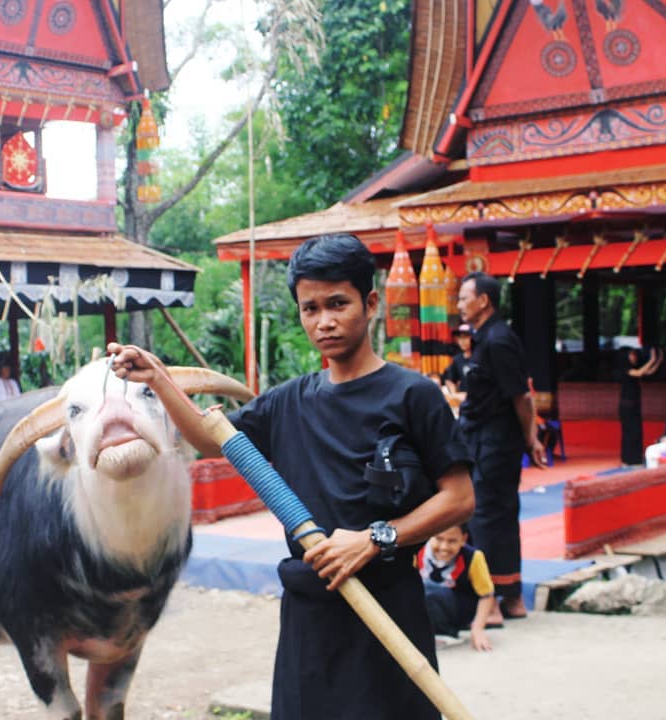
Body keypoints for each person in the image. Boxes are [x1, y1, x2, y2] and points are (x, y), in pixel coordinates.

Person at [109, 233, 474, 720]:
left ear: (370, 304)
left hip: (388, 609)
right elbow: (211, 439)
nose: (324, 321)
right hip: (312, 616)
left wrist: (373, 538)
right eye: (310, 308)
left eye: (338, 304)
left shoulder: (412, 395)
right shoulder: (288, 402)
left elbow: (459, 498)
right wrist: (157, 377)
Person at [456, 272, 547, 623]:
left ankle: (492, 600)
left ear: (484, 301)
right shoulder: (484, 339)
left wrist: (531, 437)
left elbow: (521, 396)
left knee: (488, 516)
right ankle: (512, 599)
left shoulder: (498, 340)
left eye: (465, 297)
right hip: (483, 437)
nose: (460, 304)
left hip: (495, 441)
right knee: (499, 515)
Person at [416, 524, 495, 652]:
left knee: (429, 592)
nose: (444, 547)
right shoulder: (418, 552)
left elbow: (486, 595)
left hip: (456, 608)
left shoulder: (473, 557)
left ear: (463, 539)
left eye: (452, 541)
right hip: (427, 605)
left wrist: (478, 628)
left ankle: (446, 632)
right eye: (439, 539)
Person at [617, 347, 662, 466]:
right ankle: (627, 459)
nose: (634, 357)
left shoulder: (635, 368)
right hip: (627, 407)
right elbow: (640, 373)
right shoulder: (624, 369)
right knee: (629, 433)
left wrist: (658, 360)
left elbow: (648, 372)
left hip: (635, 405)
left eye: (634, 355)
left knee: (637, 432)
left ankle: (636, 458)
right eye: (631, 355)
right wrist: (652, 360)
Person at [442, 323, 474, 402]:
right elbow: (450, 379)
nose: (462, 341)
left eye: (466, 337)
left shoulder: (479, 357)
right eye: (460, 338)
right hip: (463, 399)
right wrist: (454, 394)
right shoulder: (457, 359)